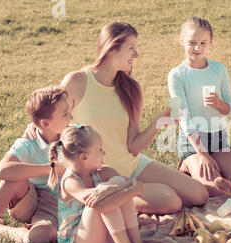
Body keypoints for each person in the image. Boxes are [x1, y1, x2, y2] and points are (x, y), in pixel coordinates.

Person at [26, 21, 209, 213]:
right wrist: (35, 126)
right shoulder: (78, 81)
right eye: (131, 48)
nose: (136, 55)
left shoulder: (131, 89)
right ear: (112, 48)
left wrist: (157, 123)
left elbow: (133, 146)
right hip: (98, 172)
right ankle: (117, 198)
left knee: (199, 194)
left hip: (131, 165)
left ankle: (122, 196)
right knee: (171, 201)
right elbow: (52, 114)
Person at [48, 124, 163, 243]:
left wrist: (121, 187)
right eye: (100, 149)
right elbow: (99, 204)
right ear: (84, 157)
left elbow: (127, 182)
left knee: (116, 183)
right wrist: (133, 190)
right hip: (81, 242)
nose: (104, 153)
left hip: (106, 239)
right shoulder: (70, 181)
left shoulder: (101, 171)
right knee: (104, 193)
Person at [168, 17, 231, 196]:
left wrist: (220, 105)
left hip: (219, 141)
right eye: (192, 42)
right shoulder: (177, 75)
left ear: (211, 42)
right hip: (193, 145)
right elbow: (183, 117)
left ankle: (204, 167)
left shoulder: (218, 70)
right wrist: (203, 154)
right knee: (217, 192)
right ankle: (188, 165)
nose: (198, 48)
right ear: (182, 42)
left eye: (203, 42)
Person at [0, 86, 72, 243]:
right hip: (29, 200)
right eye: (65, 114)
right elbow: (2, 170)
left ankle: (3, 229)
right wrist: (51, 169)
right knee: (11, 179)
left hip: (55, 205)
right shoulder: (28, 143)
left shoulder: (73, 136)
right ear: (45, 123)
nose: (71, 117)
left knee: (39, 237)